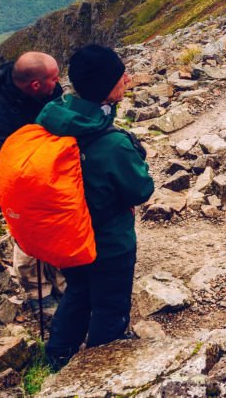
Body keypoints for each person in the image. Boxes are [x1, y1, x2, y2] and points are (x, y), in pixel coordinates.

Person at [41, 45, 155, 371]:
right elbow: (140, 190)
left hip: (68, 236)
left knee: (78, 291)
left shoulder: (55, 118)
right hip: (109, 242)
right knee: (110, 304)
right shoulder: (112, 143)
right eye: (122, 76)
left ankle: (58, 354)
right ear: (107, 87)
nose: (128, 79)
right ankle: (101, 368)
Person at [0, 52, 65, 313]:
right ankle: (37, 292)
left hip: (50, 175)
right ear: (35, 85)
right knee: (28, 236)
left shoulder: (49, 91)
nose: (58, 81)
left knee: (57, 228)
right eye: (53, 77)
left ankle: (62, 282)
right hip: (18, 183)